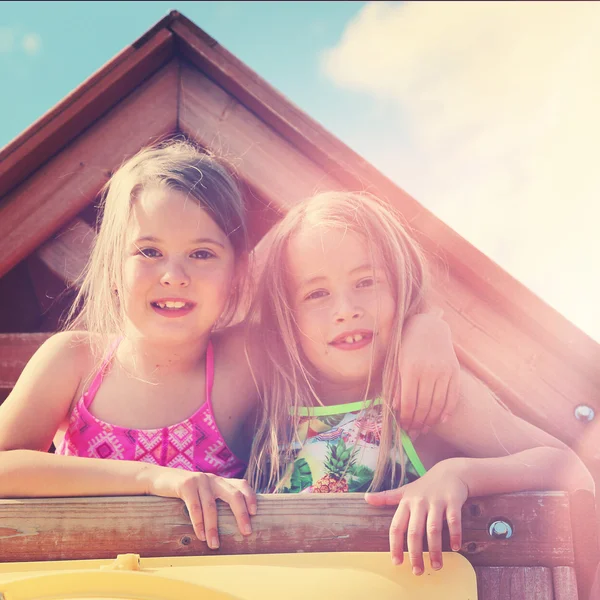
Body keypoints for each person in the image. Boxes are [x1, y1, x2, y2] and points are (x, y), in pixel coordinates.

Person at [0, 137, 459, 549]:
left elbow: (334, 323)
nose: (173, 276)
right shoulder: (76, 359)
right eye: (149, 251)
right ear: (113, 264)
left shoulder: (248, 359)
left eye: (202, 254)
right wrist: (152, 478)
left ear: (237, 272)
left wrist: (423, 327)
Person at [245, 190, 594, 575]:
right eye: (317, 293)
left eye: (366, 281)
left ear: (400, 286)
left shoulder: (421, 396)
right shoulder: (266, 402)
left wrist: (459, 474)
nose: (346, 310)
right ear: (285, 315)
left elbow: (568, 469)